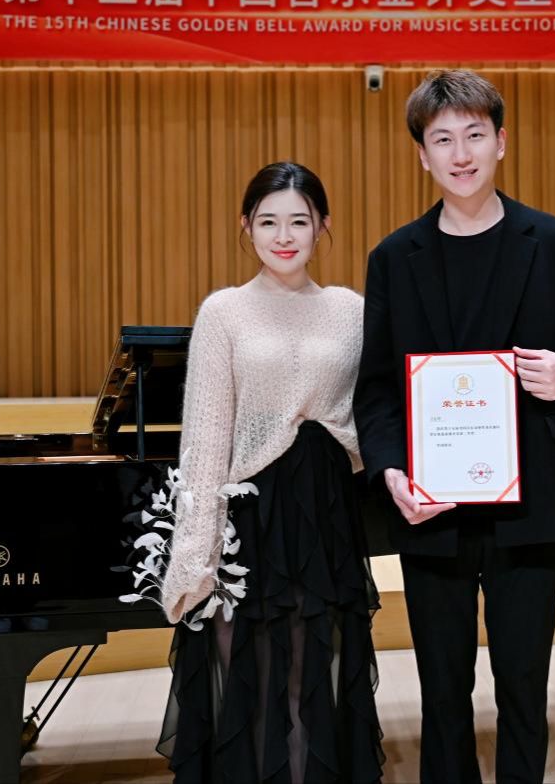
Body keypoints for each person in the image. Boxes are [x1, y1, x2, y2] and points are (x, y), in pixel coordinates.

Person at [353, 70, 555, 784]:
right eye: (442, 140)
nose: (460, 154)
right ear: (422, 155)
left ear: (501, 141)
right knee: (442, 692)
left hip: (530, 504)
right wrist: (390, 471)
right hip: (431, 504)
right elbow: (376, 389)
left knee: (524, 684)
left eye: (474, 135)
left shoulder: (552, 242)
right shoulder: (392, 258)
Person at [156, 161, 384, 784]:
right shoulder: (224, 313)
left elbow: (377, 412)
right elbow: (205, 440)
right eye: (268, 222)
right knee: (248, 666)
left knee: (313, 663)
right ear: (246, 226)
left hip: (326, 511)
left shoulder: (351, 311)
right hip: (250, 512)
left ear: (323, 226)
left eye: (299, 222)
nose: (284, 236)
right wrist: (195, 551)